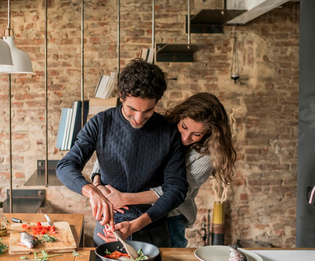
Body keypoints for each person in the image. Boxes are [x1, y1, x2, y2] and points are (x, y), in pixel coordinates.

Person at [56, 59, 188, 247]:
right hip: (109, 227)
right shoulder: (100, 123)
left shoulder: (168, 132)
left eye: (148, 110)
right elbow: (65, 166)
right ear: (121, 96)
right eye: (131, 109)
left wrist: (136, 225)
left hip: (153, 226)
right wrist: (92, 191)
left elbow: (176, 189)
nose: (139, 118)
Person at [91, 92, 236, 247]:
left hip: (171, 217)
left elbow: (173, 192)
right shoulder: (161, 129)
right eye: (184, 127)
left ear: (209, 133)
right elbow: (114, 151)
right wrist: (97, 183)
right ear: (179, 117)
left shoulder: (205, 158)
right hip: (133, 209)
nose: (186, 137)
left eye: (196, 134)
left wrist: (125, 198)